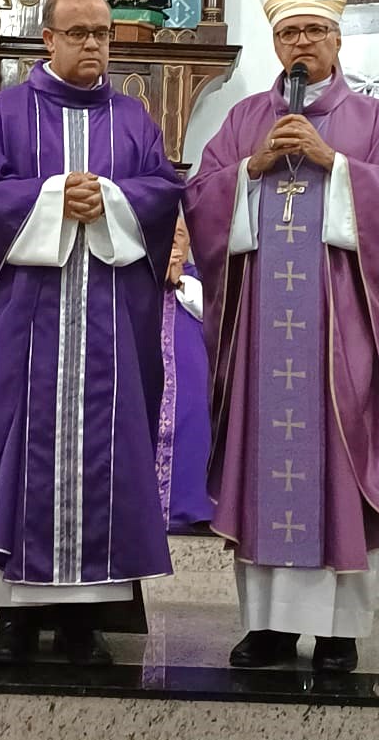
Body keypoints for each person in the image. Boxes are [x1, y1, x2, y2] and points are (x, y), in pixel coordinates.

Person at [184, 0, 379, 673]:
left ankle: (338, 631)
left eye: (313, 30)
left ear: (336, 36)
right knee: (266, 467)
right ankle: (264, 627)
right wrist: (249, 171)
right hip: (264, 336)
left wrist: (339, 168)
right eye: (288, 31)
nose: (301, 43)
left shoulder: (375, 123)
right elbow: (198, 199)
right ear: (274, 41)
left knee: (339, 469)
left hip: (342, 335)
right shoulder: (242, 122)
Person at [0, 0, 183, 666]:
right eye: (77, 33)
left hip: (107, 331)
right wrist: (50, 197)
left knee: (105, 460)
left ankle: (85, 618)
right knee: (22, 454)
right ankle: (15, 617)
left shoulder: (133, 120)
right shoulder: (6, 113)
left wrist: (105, 196)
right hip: (27, 331)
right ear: (46, 38)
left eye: (101, 33)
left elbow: (162, 190)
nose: (92, 45)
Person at [156, 217, 214, 534]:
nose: (174, 241)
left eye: (180, 235)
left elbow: (215, 313)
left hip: (192, 386)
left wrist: (179, 282)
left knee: (194, 428)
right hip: (148, 383)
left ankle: (191, 511)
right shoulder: (142, 276)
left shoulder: (200, 279)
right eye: (168, 234)